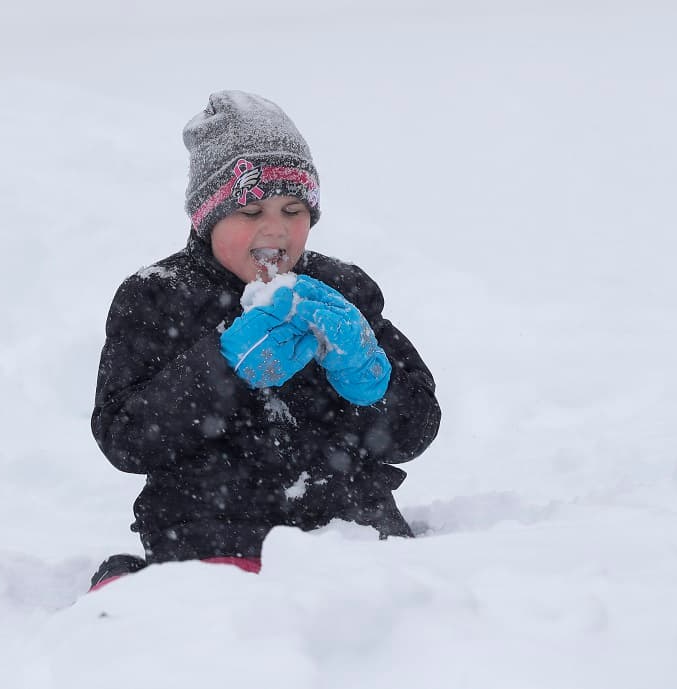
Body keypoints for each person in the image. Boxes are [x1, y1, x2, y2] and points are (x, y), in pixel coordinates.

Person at [88, 90, 441, 591]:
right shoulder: (158, 295)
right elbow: (125, 439)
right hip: (210, 533)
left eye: (293, 210)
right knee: (214, 614)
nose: (275, 229)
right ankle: (135, 589)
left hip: (352, 530)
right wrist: (222, 368)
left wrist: (368, 378)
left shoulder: (340, 291)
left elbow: (414, 433)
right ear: (207, 217)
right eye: (251, 212)